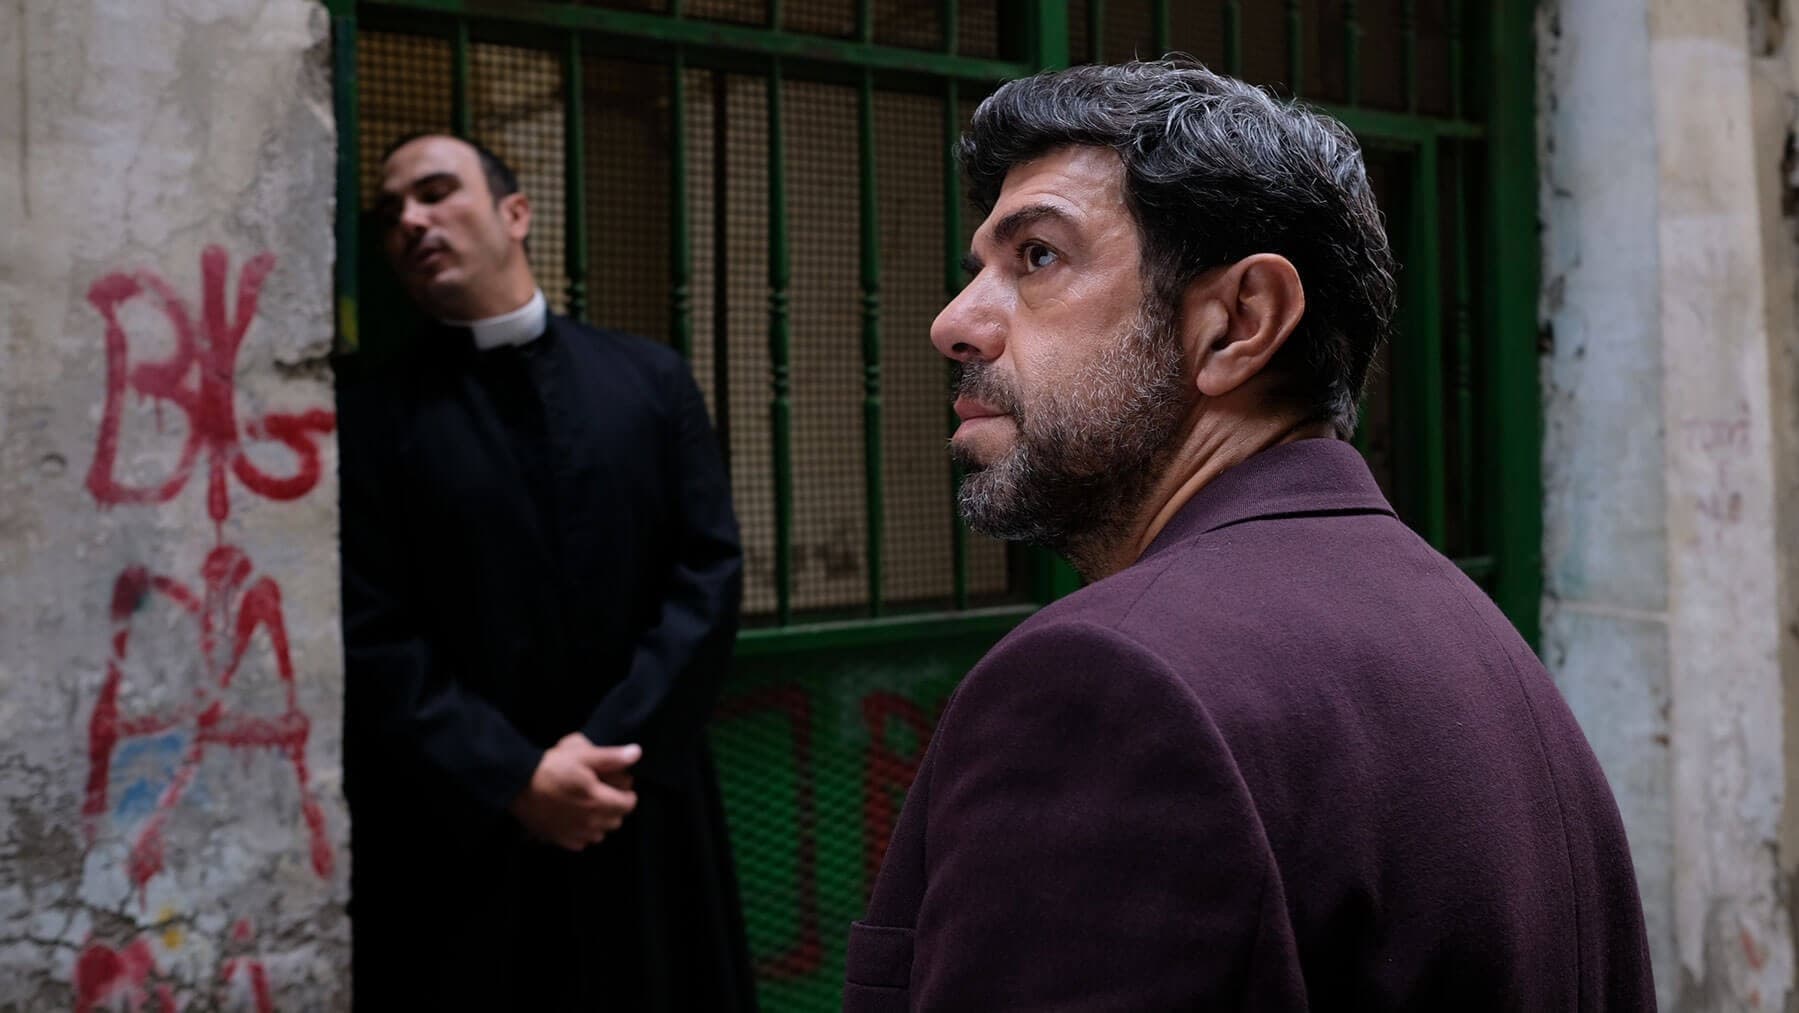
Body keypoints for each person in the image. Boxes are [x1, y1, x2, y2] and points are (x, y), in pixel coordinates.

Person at [844, 60, 1653, 1010]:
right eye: (978, 267)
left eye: (1037, 257)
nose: (954, 321)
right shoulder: (1473, 636)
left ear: (1238, 322)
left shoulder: (1109, 688)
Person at [338, 133, 755, 1011]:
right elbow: (370, 628)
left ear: (515, 213)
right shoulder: (372, 415)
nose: (410, 220)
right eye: (391, 211)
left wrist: (607, 756)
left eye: (435, 192)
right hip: (464, 829)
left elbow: (707, 574)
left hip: (637, 802)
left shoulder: (648, 380)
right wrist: (516, 777)